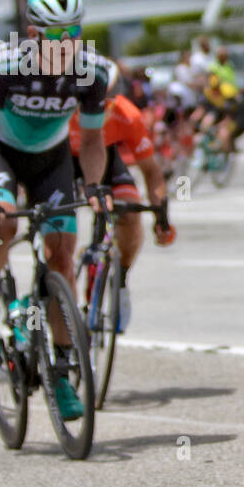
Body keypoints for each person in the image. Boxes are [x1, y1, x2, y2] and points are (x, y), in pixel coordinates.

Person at [0, 0, 113, 422]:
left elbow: (91, 141)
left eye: (72, 32)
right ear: (33, 35)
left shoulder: (92, 71)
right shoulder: (3, 65)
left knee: (62, 256)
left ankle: (64, 370)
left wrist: (93, 187)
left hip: (51, 159)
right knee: (3, 224)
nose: (65, 43)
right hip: (5, 156)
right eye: (54, 35)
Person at [68, 93, 175, 330]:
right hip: (64, 160)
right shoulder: (60, 108)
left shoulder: (127, 113)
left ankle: (121, 279)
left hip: (104, 159)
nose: (99, 108)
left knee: (129, 214)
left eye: (106, 102)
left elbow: (151, 170)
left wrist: (161, 217)